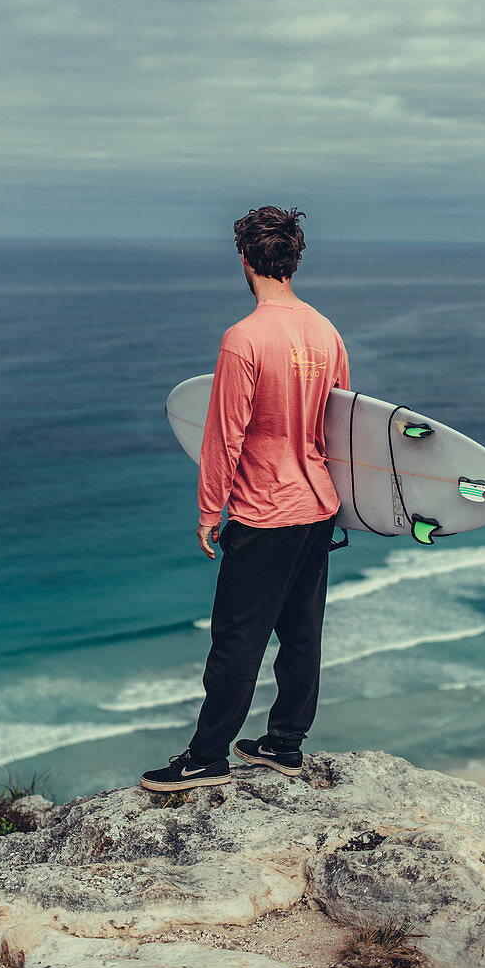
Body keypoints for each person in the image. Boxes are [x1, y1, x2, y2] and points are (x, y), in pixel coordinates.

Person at [140, 205, 350, 792]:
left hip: (266, 512)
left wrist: (210, 512)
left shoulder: (244, 338)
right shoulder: (326, 331)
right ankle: (284, 743)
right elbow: (341, 426)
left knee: (236, 641)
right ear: (294, 259)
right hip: (317, 507)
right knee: (302, 634)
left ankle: (206, 758)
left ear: (244, 259)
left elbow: (223, 434)